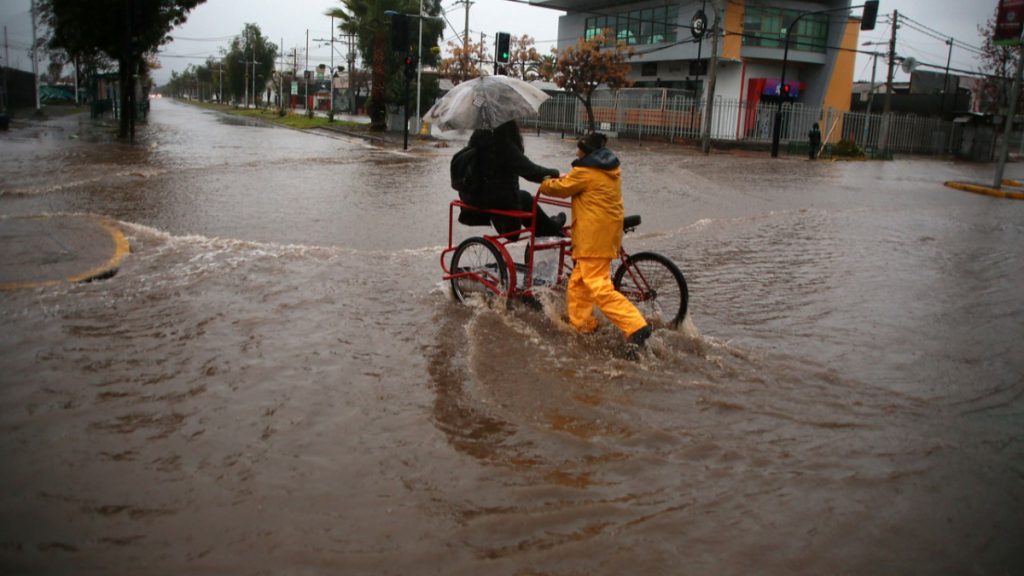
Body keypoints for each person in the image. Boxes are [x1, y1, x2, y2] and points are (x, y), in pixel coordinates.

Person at [538, 132, 652, 358]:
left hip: (593, 239)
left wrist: (544, 182)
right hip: (604, 234)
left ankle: (636, 326)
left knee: (599, 287)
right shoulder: (608, 169)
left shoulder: (586, 172)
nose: (576, 151)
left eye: (579, 148)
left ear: (586, 151)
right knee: (578, 282)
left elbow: (559, 189)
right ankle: (583, 326)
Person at [463, 120, 566, 238]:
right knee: (526, 198)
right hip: (502, 211)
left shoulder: (476, 141)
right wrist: (556, 174)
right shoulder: (502, 146)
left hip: (480, 201)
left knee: (523, 197)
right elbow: (531, 171)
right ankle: (549, 228)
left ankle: (545, 227)